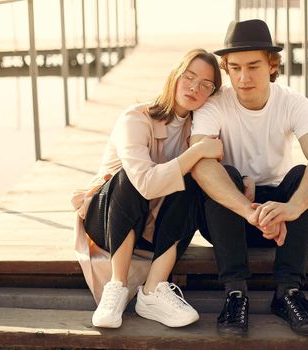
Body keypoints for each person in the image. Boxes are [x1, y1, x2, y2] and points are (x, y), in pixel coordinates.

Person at [190, 19, 308, 336]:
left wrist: (291, 209)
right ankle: (235, 293)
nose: (243, 78)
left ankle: (288, 293)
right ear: (226, 67)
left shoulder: (293, 102)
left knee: (301, 175)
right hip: (230, 219)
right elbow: (199, 164)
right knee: (219, 171)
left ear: (272, 64)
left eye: (253, 66)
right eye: (235, 67)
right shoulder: (215, 105)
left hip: (279, 222)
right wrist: (248, 210)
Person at [71, 48, 223, 329]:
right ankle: (116, 287)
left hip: (154, 229)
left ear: (212, 94)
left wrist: (243, 180)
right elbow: (144, 184)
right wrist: (197, 152)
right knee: (131, 178)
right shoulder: (136, 118)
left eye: (206, 84)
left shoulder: (201, 128)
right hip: (108, 221)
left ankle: (153, 291)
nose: (194, 87)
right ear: (175, 76)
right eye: (189, 77)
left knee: (195, 180)